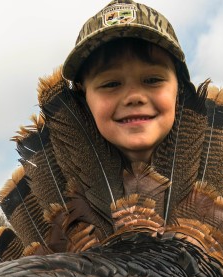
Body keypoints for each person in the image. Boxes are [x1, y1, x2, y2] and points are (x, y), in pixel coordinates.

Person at [61, 0, 190, 165]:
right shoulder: (42, 187)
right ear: (82, 97)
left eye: (153, 80)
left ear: (180, 89)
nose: (134, 97)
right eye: (111, 84)